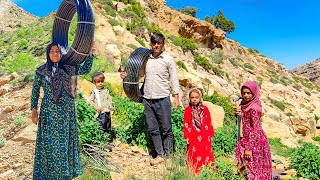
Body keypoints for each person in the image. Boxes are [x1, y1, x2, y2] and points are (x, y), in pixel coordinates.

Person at [31, 43, 94, 179]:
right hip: (49, 113)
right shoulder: (41, 71)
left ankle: (65, 173)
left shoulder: (69, 68)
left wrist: (90, 54)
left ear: (61, 53)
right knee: (49, 143)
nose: (55, 54)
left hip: (66, 112)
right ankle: (48, 174)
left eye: (57, 51)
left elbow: (86, 69)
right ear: (48, 54)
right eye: (52, 51)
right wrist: (34, 110)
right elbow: (35, 91)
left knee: (65, 142)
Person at [120, 33, 180, 165]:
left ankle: (169, 157)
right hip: (147, 98)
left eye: (159, 43)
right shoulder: (146, 59)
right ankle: (160, 155)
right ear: (150, 44)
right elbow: (139, 74)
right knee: (153, 129)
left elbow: (174, 77)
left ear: (163, 44)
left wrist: (176, 96)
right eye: (154, 43)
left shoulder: (168, 59)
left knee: (166, 128)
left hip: (163, 98)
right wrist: (125, 75)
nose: (156, 45)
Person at [234, 81, 272, 180]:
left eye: (248, 93)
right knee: (247, 170)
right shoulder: (244, 105)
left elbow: (255, 130)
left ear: (254, 93)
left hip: (255, 143)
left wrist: (249, 148)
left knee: (254, 171)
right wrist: (238, 114)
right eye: (244, 93)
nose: (245, 95)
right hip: (245, 139)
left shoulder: (254, 108)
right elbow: (243, 122)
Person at [183, 88, 215, 174]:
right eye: (192, 97)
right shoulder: (188, 110)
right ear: (189, 98)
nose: (194, 99)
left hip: (204, 134)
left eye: (196, 97)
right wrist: (186, 136)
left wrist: (211, 134)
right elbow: (186, 123)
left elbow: (209, 122)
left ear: (200, 98)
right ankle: (195, 171)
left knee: (205, 151)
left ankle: (207, 170)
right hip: (193, 135)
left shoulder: (205, 109)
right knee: (194, 152)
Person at [90, 72, 114, 140]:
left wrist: (111, 105)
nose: (100, 83)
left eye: (102, 81)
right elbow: (90, 100)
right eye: (98, 82)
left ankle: (108, 139)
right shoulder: (95, 92)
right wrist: (96, 106)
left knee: (108, 126)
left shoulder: (106, 90)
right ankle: (102, 140)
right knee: (101, 126)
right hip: (101, 113)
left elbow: (109, 99)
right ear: (95, 83)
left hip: (107, 111)